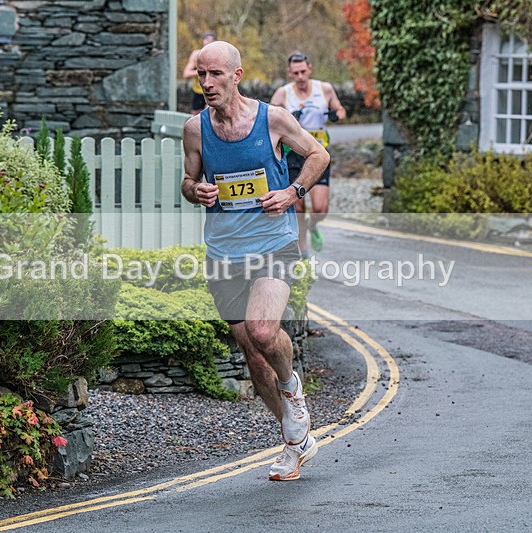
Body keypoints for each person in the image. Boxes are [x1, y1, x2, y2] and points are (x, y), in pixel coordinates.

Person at [181, 41, 330, 481]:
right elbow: (187, 180)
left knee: (263, 331)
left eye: (216, 74)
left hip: (272, 245)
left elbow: (319, 155)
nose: (207, 83)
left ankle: (292, 388)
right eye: (201, 75)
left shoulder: (273, 119)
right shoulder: (195, 129)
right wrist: (196, 191)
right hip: (223, 254)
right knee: (252, 352)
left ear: (237, 75)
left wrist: (292, 192)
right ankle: (295, 443)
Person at [270, 52, 346, 257]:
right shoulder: (283, 93)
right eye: (296, 73)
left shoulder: (324, 89)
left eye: (303, 71)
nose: (300, 77)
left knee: (320, 208)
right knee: (298, 207)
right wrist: (287, 118)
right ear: (290, 73)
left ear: (310, 69)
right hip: (293, 155)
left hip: (318, 154)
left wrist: (336, 115)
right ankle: (303, 251)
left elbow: (340, 109)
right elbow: (269, 119)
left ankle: (312, 225)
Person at [182, 31, 217, 115]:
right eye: (206, 39)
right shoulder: (196, 55)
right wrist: (201, 71)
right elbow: (186, 74)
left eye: (212, 39)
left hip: (213, 90)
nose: (209, 41)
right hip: (198, 91)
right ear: (203, 41)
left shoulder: (219, 55)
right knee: (197, 116)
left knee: (210, 113)